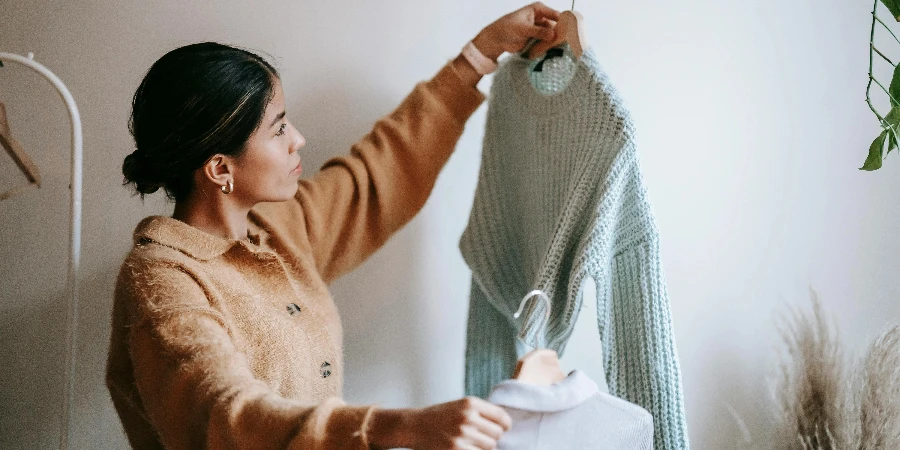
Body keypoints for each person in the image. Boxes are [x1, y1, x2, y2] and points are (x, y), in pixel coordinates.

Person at [105, 3, 561, 449]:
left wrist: (480, 53)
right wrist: (400, 427)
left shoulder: (277, 227)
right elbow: (228, 416)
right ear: (220, 169)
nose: (298, 140)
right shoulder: (161, 280)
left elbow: (380, 172)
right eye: (278, 128)